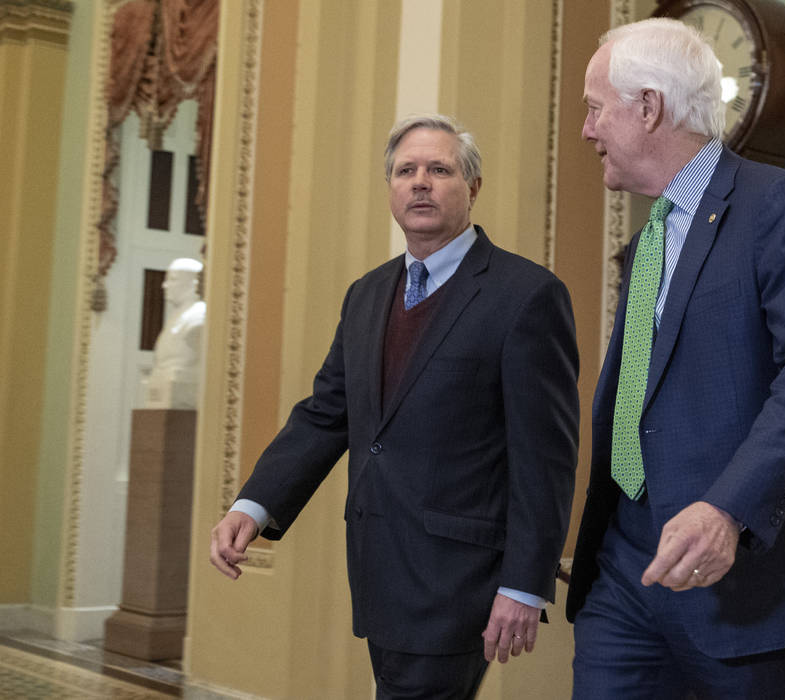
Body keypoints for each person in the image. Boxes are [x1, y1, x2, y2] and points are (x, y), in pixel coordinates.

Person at [210, 114, 579, 699]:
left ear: (472, 187)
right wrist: (253, 506)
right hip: (380, 573)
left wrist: (525, 585)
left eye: (439, 169)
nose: (421, 182)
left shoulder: (526, 296)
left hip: (460, 581)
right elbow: (326, 413)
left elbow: (546, 459)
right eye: (406, 171)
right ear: (390, 189)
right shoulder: (367, 294)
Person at [567, 18, 785, 699]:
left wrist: (727, 510)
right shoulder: (650, 237)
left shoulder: (777, 206)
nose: (586, 130)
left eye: (594, 108)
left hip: (745, 585)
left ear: (647, 107)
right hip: (625, 572)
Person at [144, 257, 206, 409]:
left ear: (193, 283)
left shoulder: (199, 316)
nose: (164, 285)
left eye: (172, 280)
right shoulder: (174, 317)